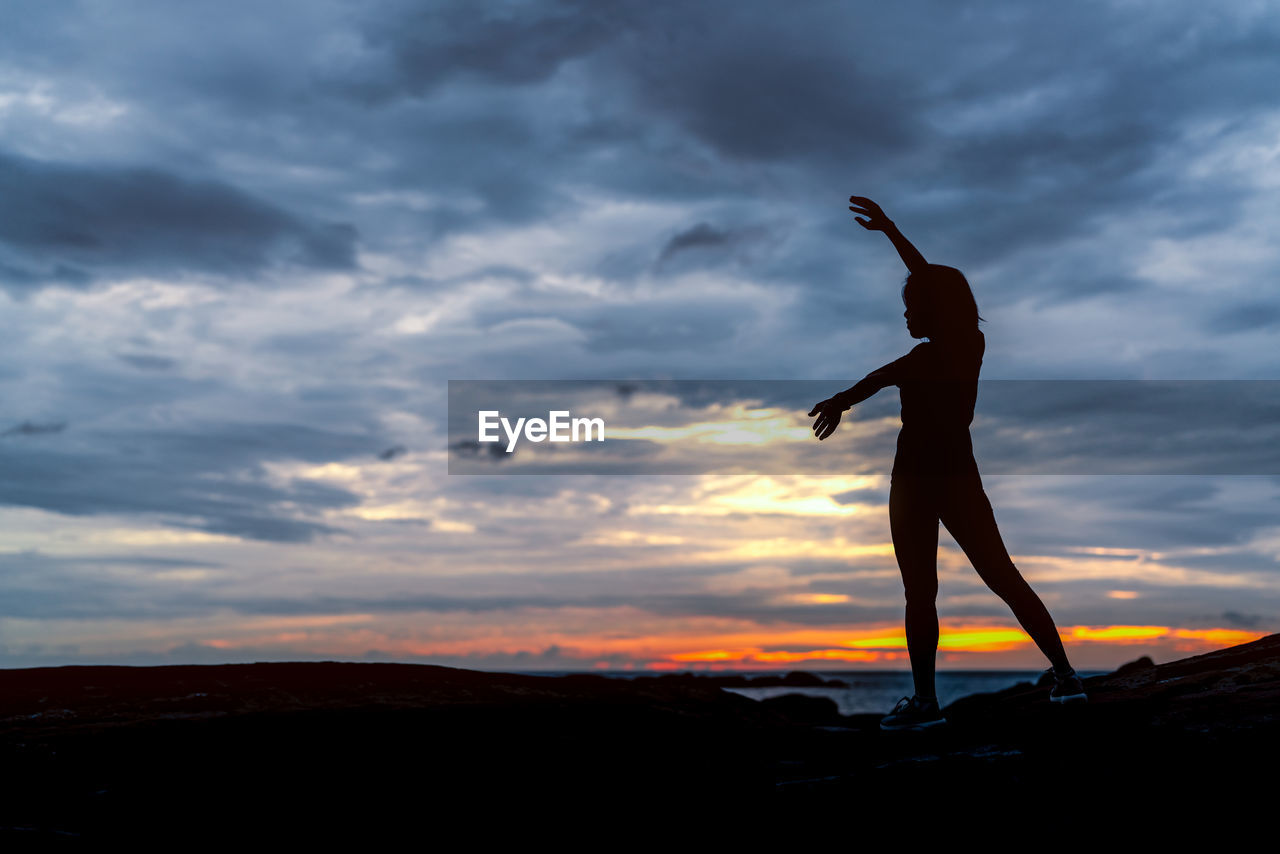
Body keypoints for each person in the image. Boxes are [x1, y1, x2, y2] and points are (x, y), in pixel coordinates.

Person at [808, 196, 1087, 731]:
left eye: (912, 307)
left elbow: (881, 370)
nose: (906, 314)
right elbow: (882, 368)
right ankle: (1063, 677)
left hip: (920, 481)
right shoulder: (965, 345)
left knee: (939, 589)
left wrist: (892, 232)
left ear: (936, 308)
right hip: (945, 478)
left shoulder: (949, 347)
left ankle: (931, 701)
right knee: (980, 579)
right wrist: (890, 231)